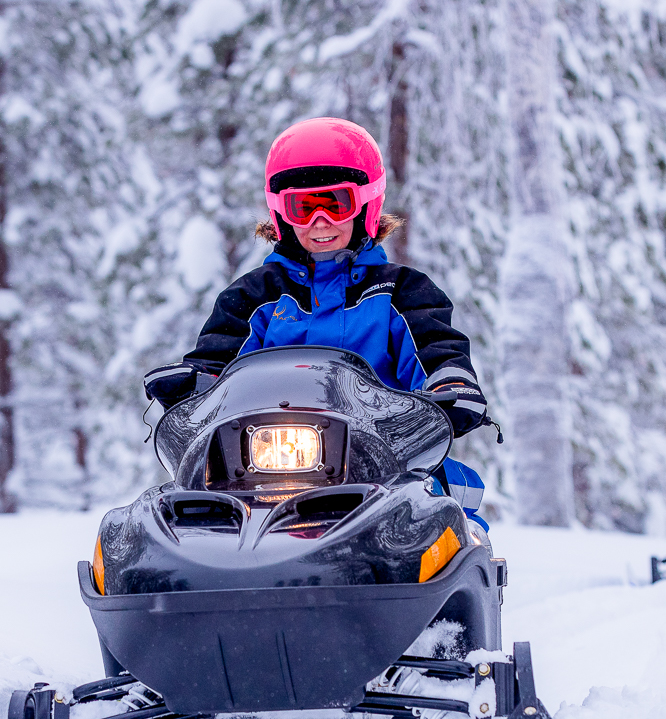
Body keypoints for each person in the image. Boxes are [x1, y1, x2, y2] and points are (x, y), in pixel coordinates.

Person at [143, 116, 493, 524]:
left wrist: (451, 382)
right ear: (281, 214)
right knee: (179, 505)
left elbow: (436, 348)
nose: (319, 221)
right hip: (259, 467)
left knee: (443, 512)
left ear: (365, 204)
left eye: (335, 204)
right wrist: (192, 382)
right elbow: (218, 360)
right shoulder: (253, 297)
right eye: (304, 207)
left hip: (382, 462)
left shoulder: (401, 293)